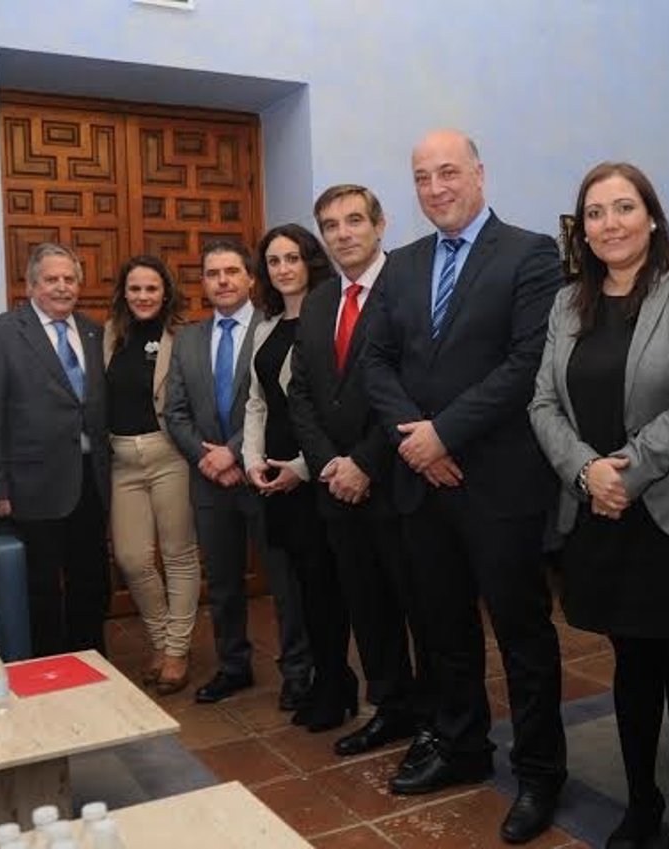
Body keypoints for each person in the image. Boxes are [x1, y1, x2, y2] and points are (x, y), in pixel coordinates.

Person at [364, 129, 566, 844]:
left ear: (479, 173)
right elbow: (376, 362)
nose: (436, 187)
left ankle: (540, 770)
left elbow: (527, 361)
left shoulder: (532, 252)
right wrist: (416, 443)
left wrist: (443, 433)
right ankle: (462, 744)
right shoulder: (404, 264)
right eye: (422, 177)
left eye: (448, 171)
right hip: (422, 482)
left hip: (499, 482)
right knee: (443, 630)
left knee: (522, 635)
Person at [529, 162, 669, 849]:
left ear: (651, 215)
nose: (610, 224)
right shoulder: (567, 303)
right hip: (596, 513)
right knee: (632, 664)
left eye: (623, 208)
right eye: (595, 213)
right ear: (582, 230)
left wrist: (628, 471)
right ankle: (642, 801)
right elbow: (542, 401)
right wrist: (587, 473)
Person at [287, 184, 427, 757]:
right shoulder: (320, 300)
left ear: (380, 224)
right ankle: (390, 707)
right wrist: (329, 465)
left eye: (353, 221)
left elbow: (414, 385)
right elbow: (301, 393)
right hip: (337, 492)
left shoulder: (409, 289)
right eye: (330, 225)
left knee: (422, 608)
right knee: (367, 608)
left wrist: (365, 461)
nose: (342, 233)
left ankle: (437, 715)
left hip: (396, 480)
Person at [164, 238, 312, 707]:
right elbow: (175, 412)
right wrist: (208, 460)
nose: (222, 281)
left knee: (284, 582)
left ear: (251, 278)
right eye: (212, 274)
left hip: (265, 476)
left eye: (232, 271)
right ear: (203, 283)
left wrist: (232, 453)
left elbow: (275, 407)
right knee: (224, 583)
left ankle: (297, 672)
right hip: (210, 484)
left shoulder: (273, 330)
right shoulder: (187, 338)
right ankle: (233, 666)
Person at [0, 243, 110, 657]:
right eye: (52, 279)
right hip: (31, 484)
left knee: (91, 579)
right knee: (41, 585)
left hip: (90, 479)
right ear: (31, 285)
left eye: (69, 279)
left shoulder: (93, 331)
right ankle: (50, 669)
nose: (62, 287)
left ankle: (92, 661)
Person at [241, 223, 347, 730]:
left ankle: (333, 685)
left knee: (326, 589)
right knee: (302, 587)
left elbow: (332, 412)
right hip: (274, 475)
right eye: (274, 261)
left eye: (292, 258)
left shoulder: (328, 321)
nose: (283, 269)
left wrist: (301, 470)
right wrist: (253, 460)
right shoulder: (265, 327)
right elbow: (258, 402)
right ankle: (329, 680)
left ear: (311, 262)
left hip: (315, 476)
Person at [103, 255, 201, 695]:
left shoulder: (183, 337)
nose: (143, 296)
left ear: (166, 293)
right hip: (121, 460)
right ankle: (161, 640)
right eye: (135, 288)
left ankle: (175, 650)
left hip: (169, 457)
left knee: (179, 554)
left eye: (152, 288)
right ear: (124, 292)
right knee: (132, 558)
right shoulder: (107, 335)